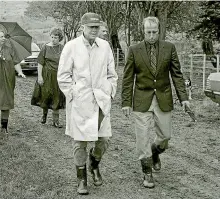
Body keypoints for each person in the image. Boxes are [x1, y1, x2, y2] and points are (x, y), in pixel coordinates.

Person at [121, 16, 190, 188]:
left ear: (159, 31)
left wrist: (184, 99)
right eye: (148, 32)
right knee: (142, 137)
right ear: (143, 31)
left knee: (165, 136)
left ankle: (155, 152)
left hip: (163, 98)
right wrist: (126, 102)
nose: (151, 35)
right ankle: (147, 173)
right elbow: (128, 78)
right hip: (141, 100)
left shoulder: (169, 48)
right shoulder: (134, 50)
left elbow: (177, 75)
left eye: (154, 32)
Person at [58, 12, 118, 195]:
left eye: (97, 27)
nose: (94, 30)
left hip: (101, 100)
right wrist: (73, 94)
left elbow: (112, 74)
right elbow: (63, 76)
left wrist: (110, 92)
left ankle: (94, 163)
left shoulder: (105, 46)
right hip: (80, 102)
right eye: (91, 27)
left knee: (104, 140)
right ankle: (81, 179)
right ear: (82, 27)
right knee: (80, 142)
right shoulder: (71, 47)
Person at [31, 28, 65, 128]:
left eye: (56, 37)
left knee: (57, 96)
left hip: (58, 76)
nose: (53, 39)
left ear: (60, 38)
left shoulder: (62, 48)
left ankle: (56, 121)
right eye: (52, 37)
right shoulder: (45, 47)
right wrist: (40, 76)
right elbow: (40, 63)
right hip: (46, 75)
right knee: (46, 95)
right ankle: (44, 116)